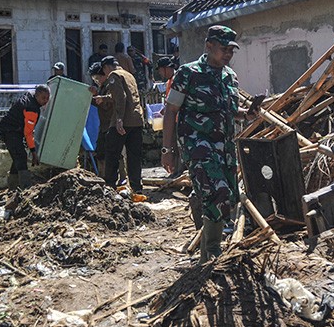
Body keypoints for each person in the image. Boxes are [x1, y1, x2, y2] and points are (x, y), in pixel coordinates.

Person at [161, 25, 255, 263]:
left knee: (227, 196)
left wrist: (247, 114)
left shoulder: (229, 76)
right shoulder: (188, 73)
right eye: (223, 49)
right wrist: (167, 150)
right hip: (198, 145)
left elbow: (231, 111)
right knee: (218, 192)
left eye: (231, 50)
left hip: (224, 146)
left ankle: (199, 208)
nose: (228, 54)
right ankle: (211, 253)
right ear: (209, 46)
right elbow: (171, 111)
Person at [100, 55, 143, 193]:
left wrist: (119, 119)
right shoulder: (129, 75)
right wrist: (105, 98)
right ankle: (137, 188)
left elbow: (121, 97)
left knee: (112, 152)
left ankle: (110, 186)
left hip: (123, 120)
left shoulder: (114, 75)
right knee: (134, 156)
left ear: (106, 67)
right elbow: (127, 96)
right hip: (136, 120)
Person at [0, 84, 50, 189]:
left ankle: (12, 187)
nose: (46, 101)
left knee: (18, 156)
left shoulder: (31, 96)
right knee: (21, 157)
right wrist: (33, 151)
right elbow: (28, 133)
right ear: (37, 94)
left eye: (48, 98)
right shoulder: (32, 108)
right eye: (43, 98)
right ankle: (26, 188)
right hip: (10, 131)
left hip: (9, 128)